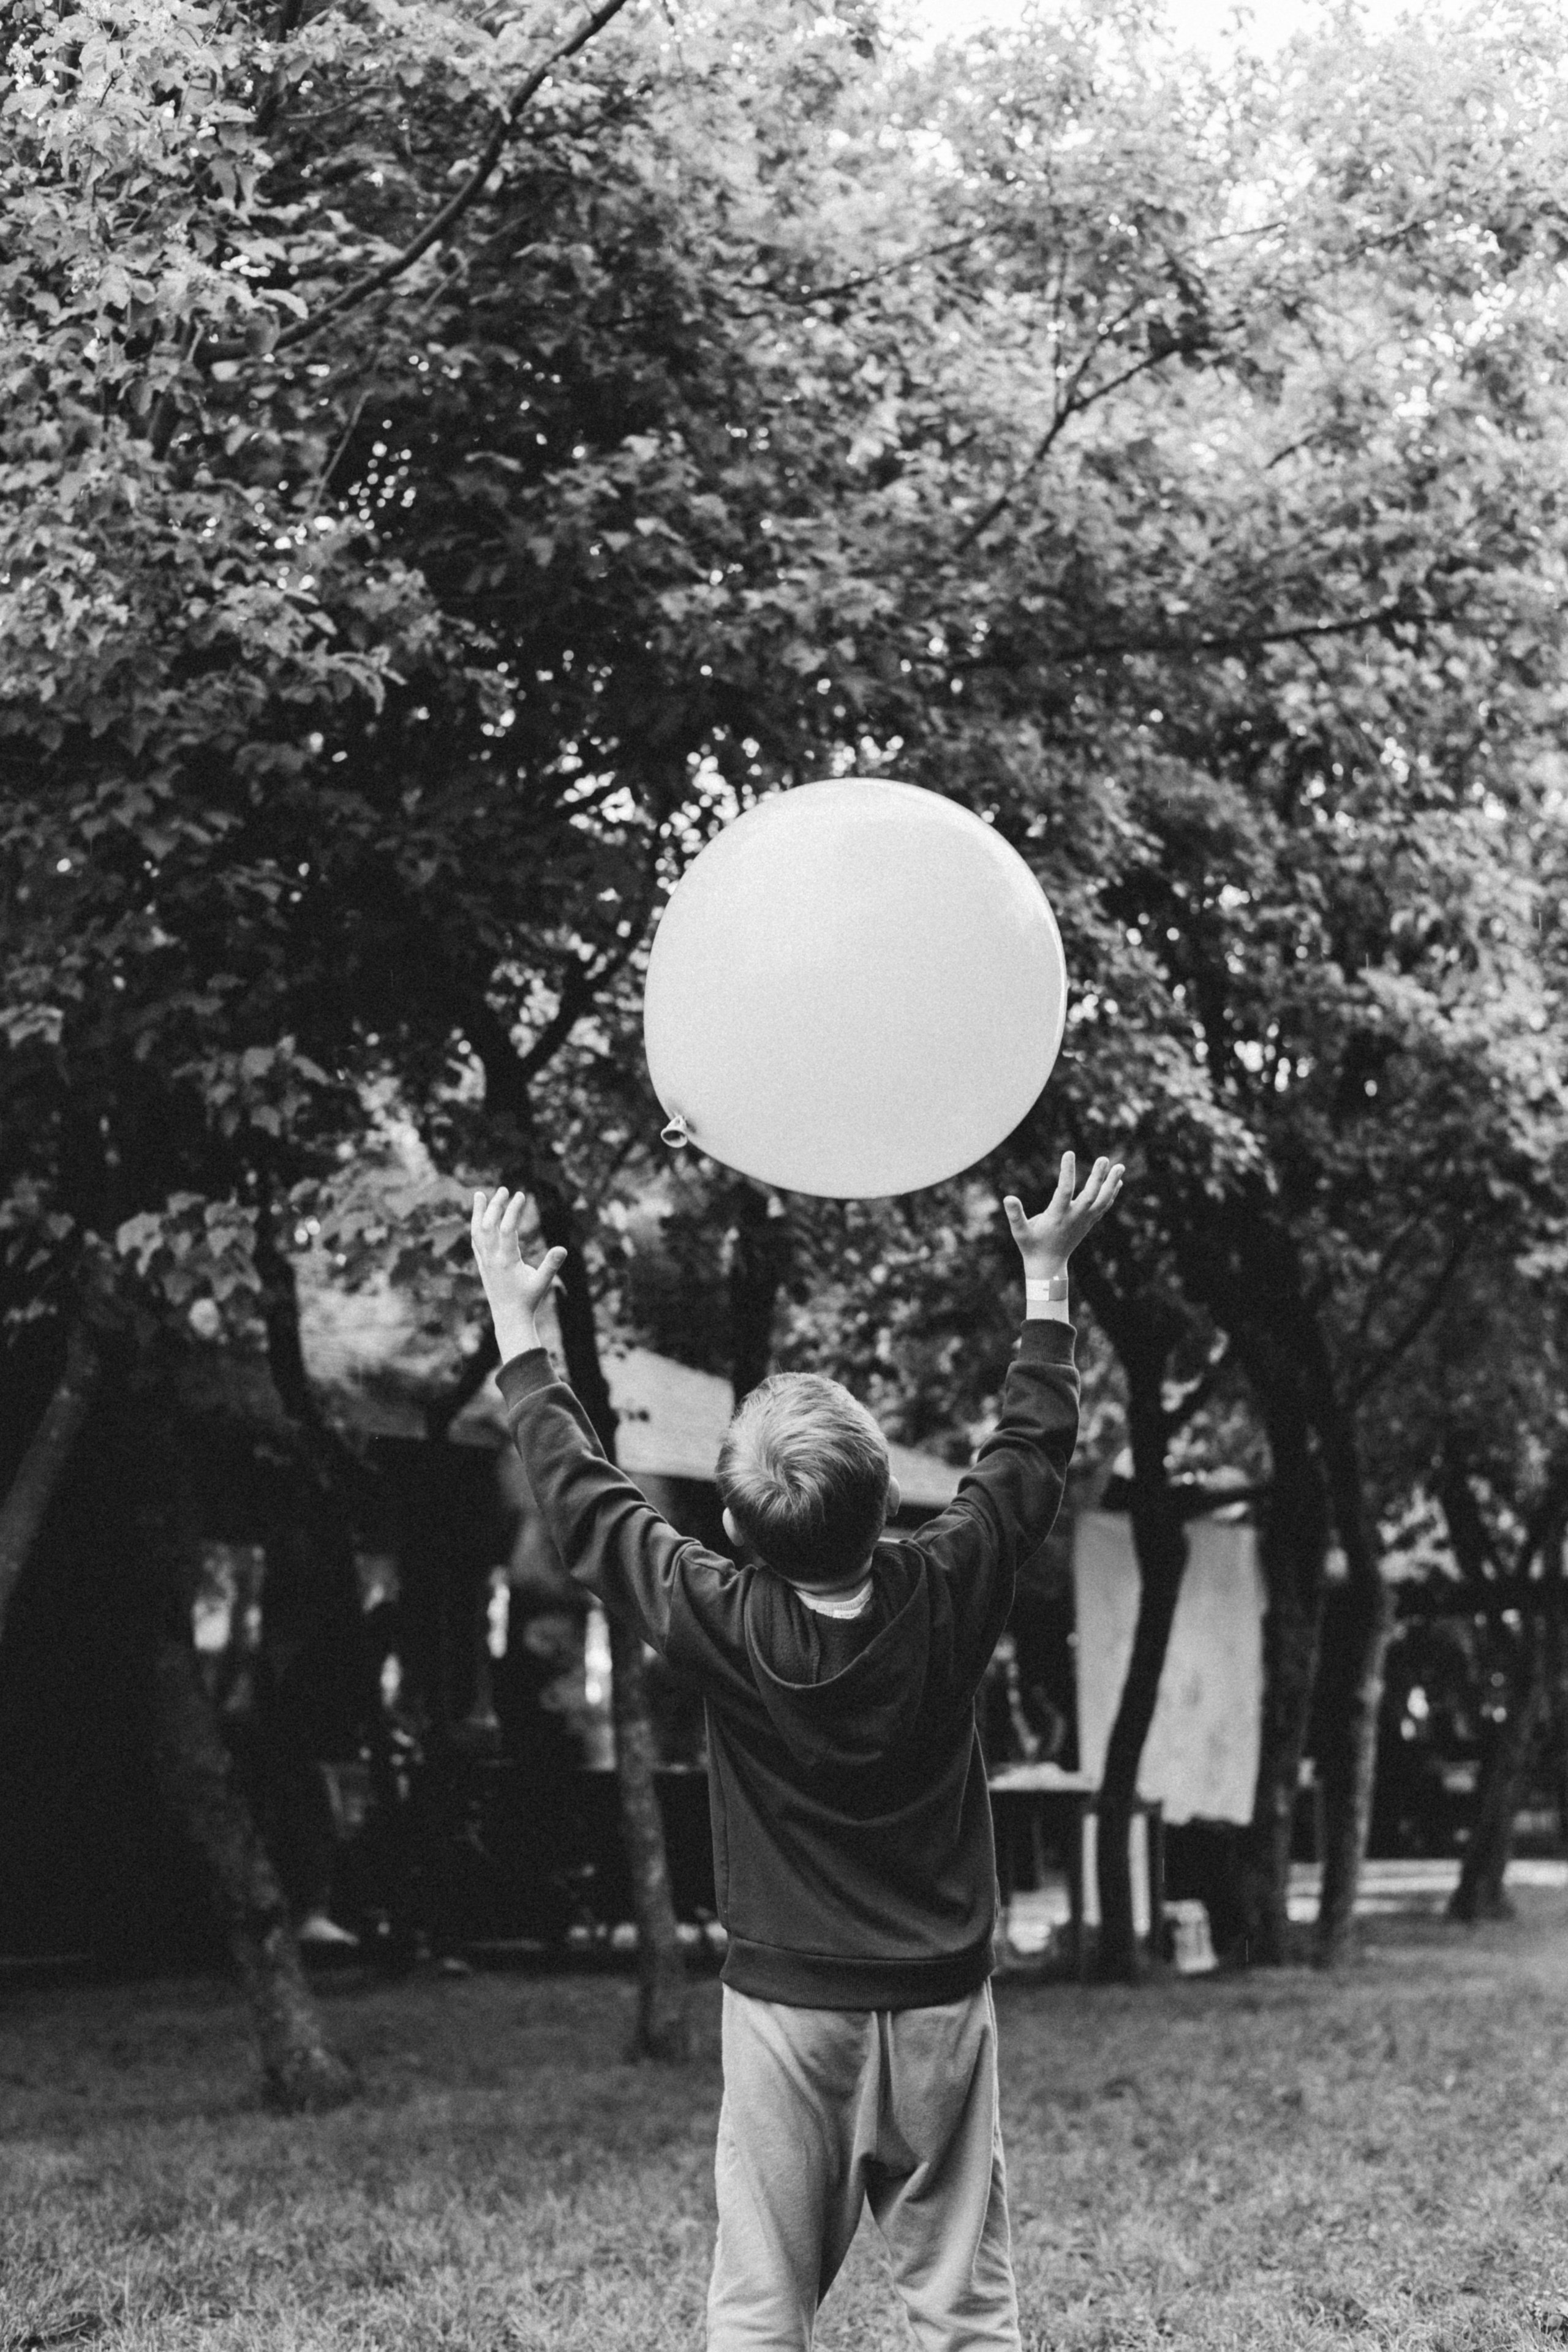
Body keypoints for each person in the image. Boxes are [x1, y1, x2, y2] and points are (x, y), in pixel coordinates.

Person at [470, 1150, 1125, 2352]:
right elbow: (1025, 1459)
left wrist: (523, 1331)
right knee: (965, 2309)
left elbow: (587, 1511)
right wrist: (1045, 1282)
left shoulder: (715, 1611)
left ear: (733, 1528)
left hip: (785, 2017)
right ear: (887, 1505)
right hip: (937, 2005)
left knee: (760, 2308)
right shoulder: (950, 1580)